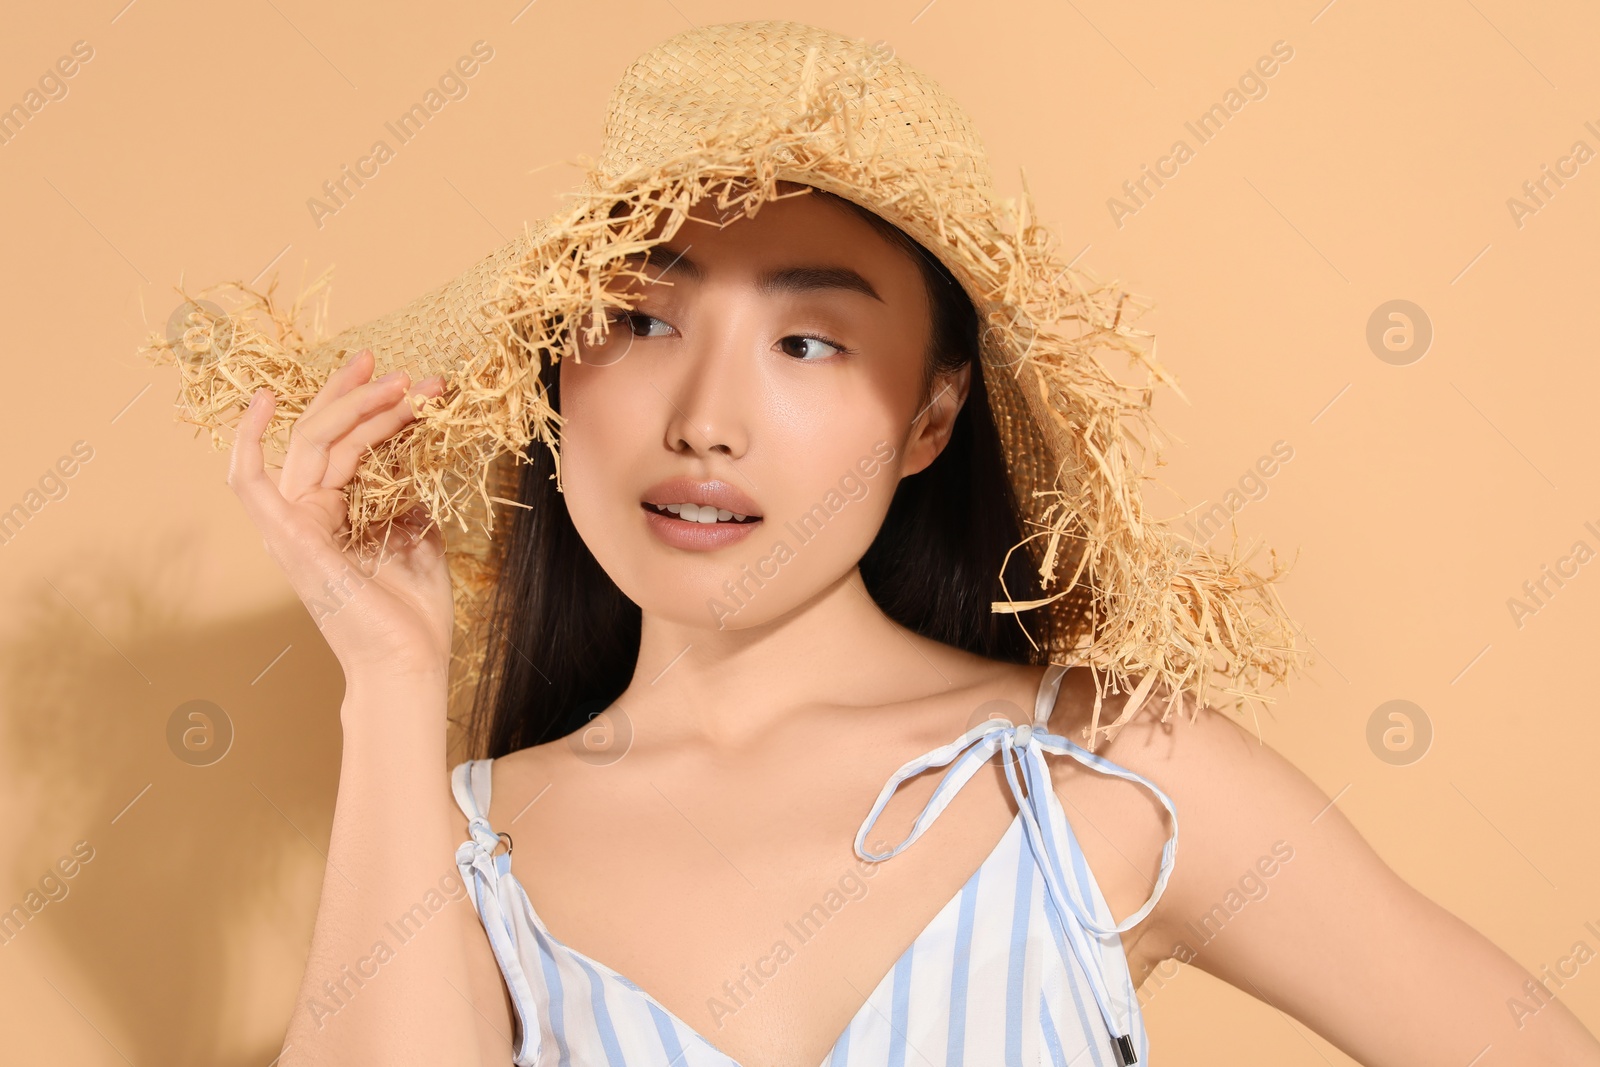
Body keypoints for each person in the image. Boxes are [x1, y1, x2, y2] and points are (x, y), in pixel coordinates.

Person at [179, 21, 1600, 1067]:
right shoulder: (459, 849)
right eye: (642, 320)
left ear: (931, 416)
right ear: (556, 374)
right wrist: (386, 680)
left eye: (807, 341)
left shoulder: (1106, 782)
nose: (705, 421)